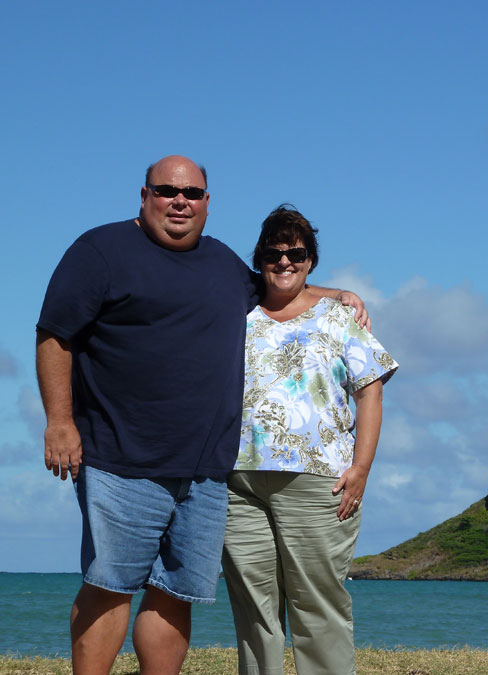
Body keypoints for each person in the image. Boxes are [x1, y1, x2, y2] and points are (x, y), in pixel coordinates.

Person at [35, 156, 367, 674]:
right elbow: (56, 334)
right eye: (167, 190)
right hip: (121, 460)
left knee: (176, 593)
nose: (179, 201)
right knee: (109, 585)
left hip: (208, 473)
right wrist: (60, 422)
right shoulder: (100, 250)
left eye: (191, 193)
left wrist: (339, 295)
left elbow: (275, 288)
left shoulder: (220, 262)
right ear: (144, 195)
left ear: (208, 202)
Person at [222, 205, 398, 675]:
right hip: (237, 483)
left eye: (295, 253)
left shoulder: (339, 319)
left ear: (310, 259)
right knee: (254, 612)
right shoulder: (236, 315)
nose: (284, 262)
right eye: (274, 253)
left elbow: (370, 390)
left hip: (319, 483)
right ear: (259, 258)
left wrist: (361, 469)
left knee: (318, 607)